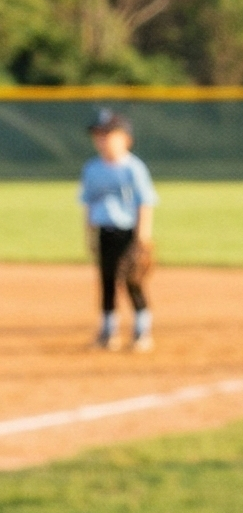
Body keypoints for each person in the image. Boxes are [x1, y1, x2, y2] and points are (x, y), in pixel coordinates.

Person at [78, 107, 157, 352]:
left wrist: (142, 237)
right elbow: (88, 204)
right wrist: (89, 235)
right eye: (98, 135)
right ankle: (107, 332)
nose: (102, 140)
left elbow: (145, 203)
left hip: (129, 233)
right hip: (104, 231)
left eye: (108, 135)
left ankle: (141, 331)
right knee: (107, 281)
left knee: (133, 281)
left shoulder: (133, 168)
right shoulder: (92, 169)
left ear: (126, 139)